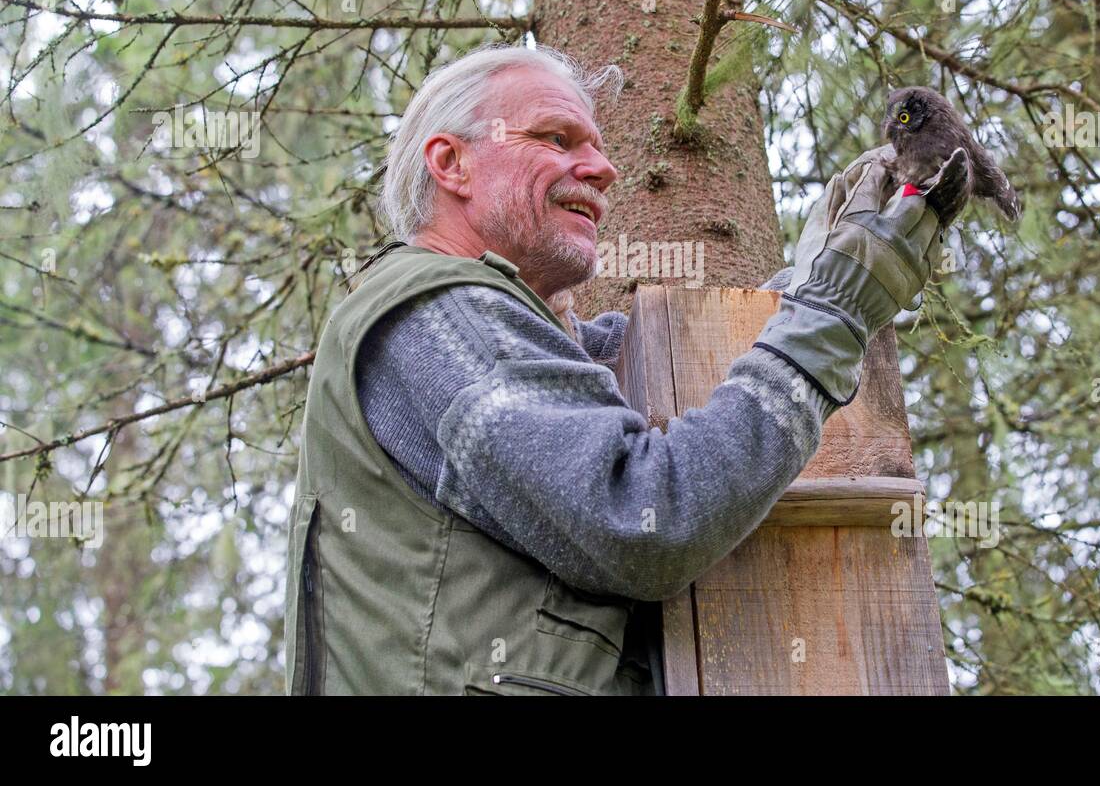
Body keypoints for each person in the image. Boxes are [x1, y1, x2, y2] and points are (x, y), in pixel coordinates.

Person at [284, 43, 968, 695]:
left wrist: (809, 286)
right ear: (451, 163)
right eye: (556, 139)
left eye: (600, 148)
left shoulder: (522, 344)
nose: (603, 169)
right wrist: (831, 309)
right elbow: (646, 515)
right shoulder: (436, 310)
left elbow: (679, 402)